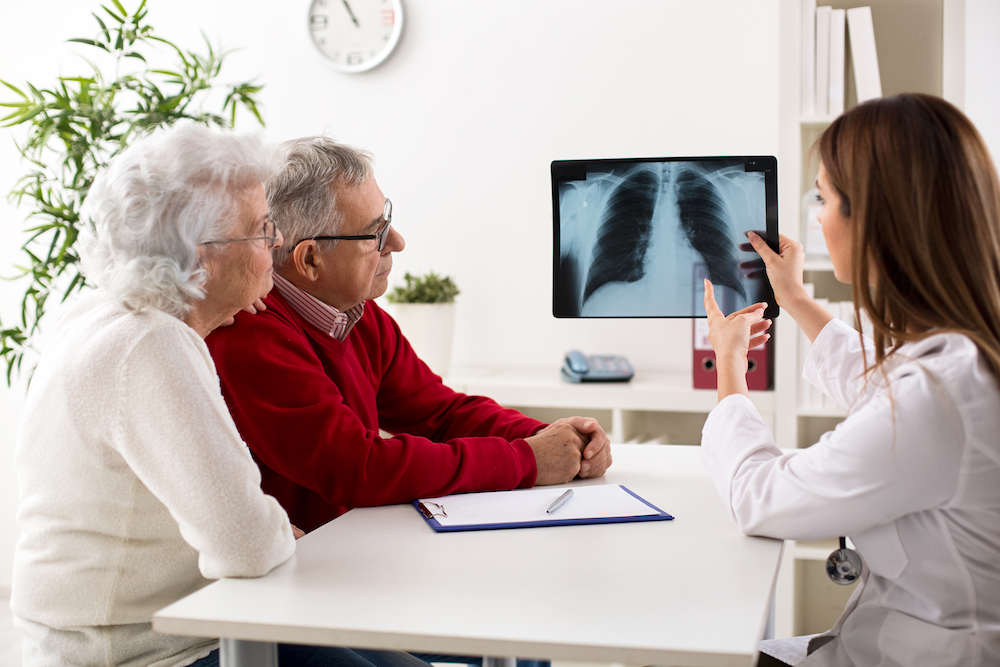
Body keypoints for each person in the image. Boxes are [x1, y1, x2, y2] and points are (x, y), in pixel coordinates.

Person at [10, 122, 429, 667]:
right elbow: (249, 546)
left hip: (162, 626)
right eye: (261, 230)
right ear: (201, 255)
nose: (276, 244)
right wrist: (272, 530)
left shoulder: (99, 317)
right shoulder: (155, 345)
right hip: (149, 652)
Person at [700, 93, 1000, 666]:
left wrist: (729, 369)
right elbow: (883, 389)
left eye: (826, 197)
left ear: (878, 220)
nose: (817, 216)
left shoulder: (936, 398)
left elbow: (761, 499)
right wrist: (793, 296)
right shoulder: (968, 354)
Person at [206, 136, 612, 534]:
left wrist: (546, 437)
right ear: (310, 258)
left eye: (389, 221)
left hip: (349, 551)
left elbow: (440, 414)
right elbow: (358, 467)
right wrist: (527, 459)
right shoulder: (248, 332)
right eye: (376, 234)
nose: (398, 242)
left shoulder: (358, 315)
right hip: (298, 577)